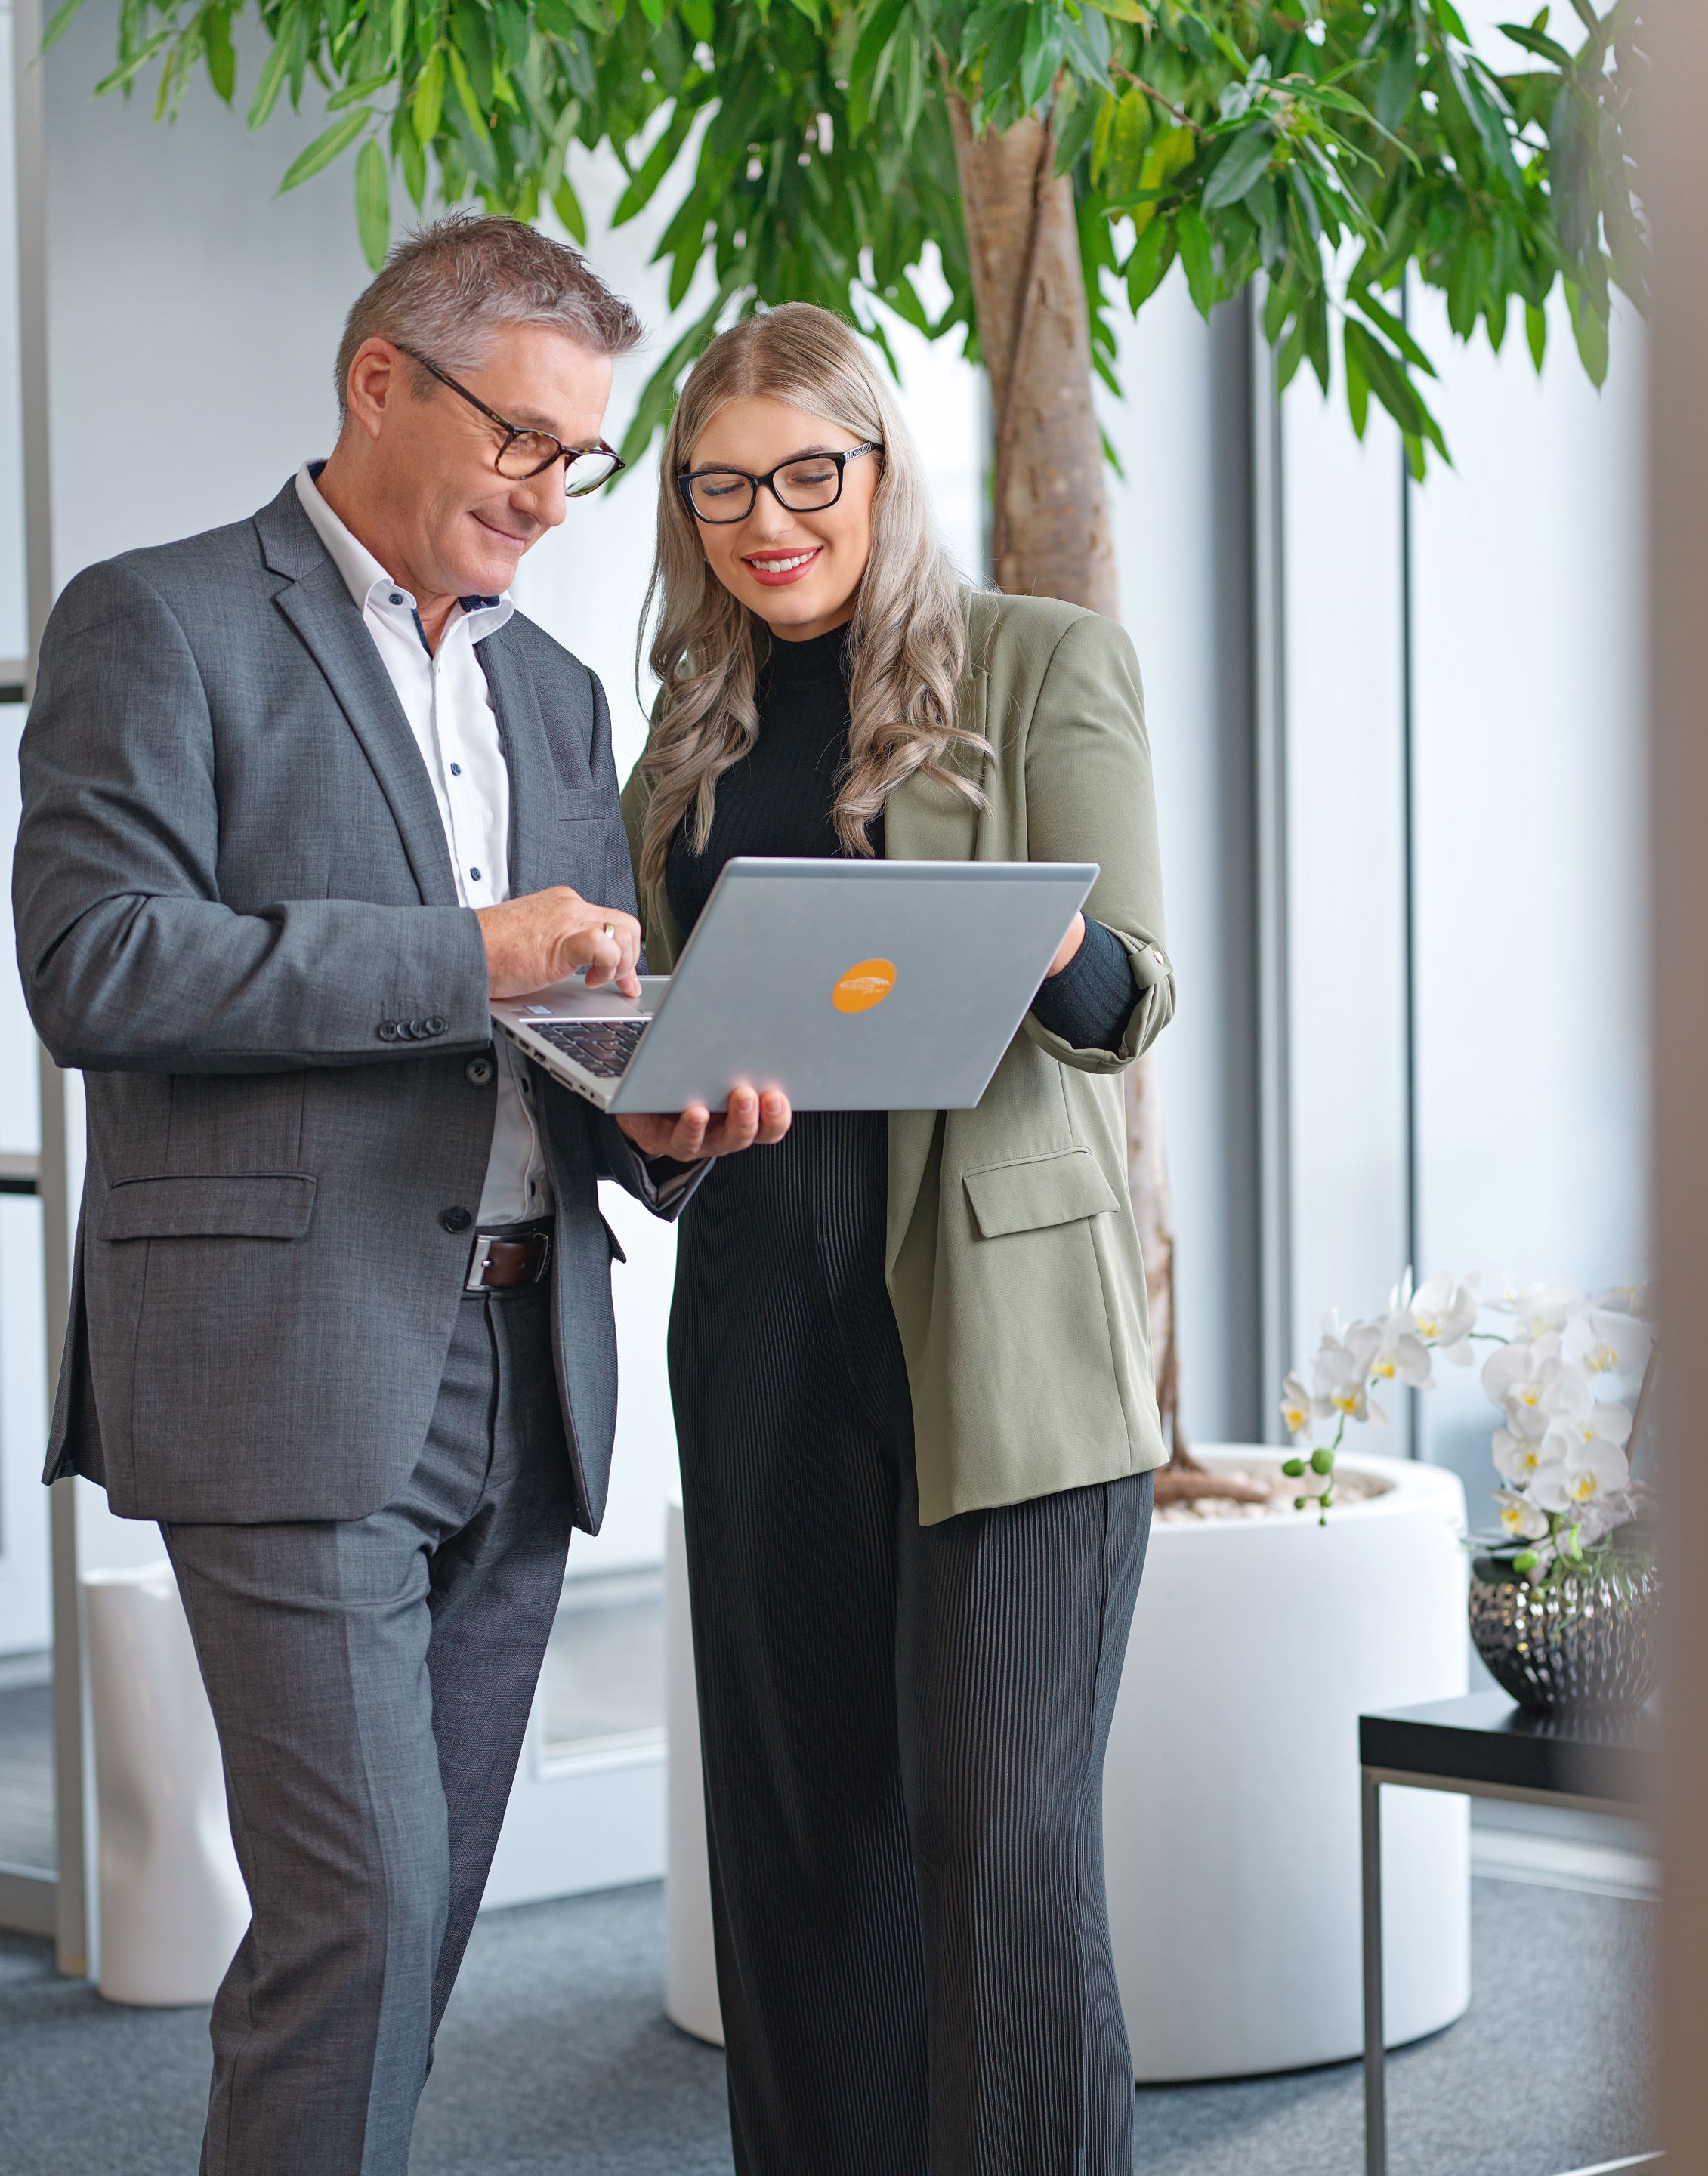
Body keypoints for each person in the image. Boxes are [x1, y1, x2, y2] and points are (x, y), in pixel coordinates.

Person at [11, 215, 783, 2176]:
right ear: (378, 384)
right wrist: (466, 951)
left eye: (576, 458)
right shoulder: (162, 621)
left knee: (405, 1930)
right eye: (521, 440)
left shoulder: (558, 698)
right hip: (288, 1362)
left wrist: (661, 1125)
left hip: (531, 1365)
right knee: (359, 1915)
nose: (549, 496)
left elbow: (557, 1023)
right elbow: (97, 965)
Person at [624, 301, 1178, 2176]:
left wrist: (1038, 933)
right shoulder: (686, 731)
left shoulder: (1040, 663)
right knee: (799, 1853)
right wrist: (645, 1107)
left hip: (1001, 1332)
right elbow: (662, 1041)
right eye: (720, 487)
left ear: (880, 467)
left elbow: (1127, 1001)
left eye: (807, 474)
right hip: (762, 1323)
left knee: (1004, 1846)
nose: (766, 521)